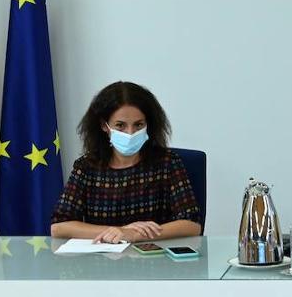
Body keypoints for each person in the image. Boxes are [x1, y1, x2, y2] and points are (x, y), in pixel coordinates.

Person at [51, 81, 201, 243]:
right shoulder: (87, 167)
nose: (130, 133)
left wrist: (135, 235)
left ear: (148, 124)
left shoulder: (168, 163)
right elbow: (59, 227)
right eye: (120, 125)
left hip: (155, 255)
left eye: (138, 125)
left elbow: (192, 225)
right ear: (104, 126)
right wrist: (118, 232)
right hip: (103, 256)